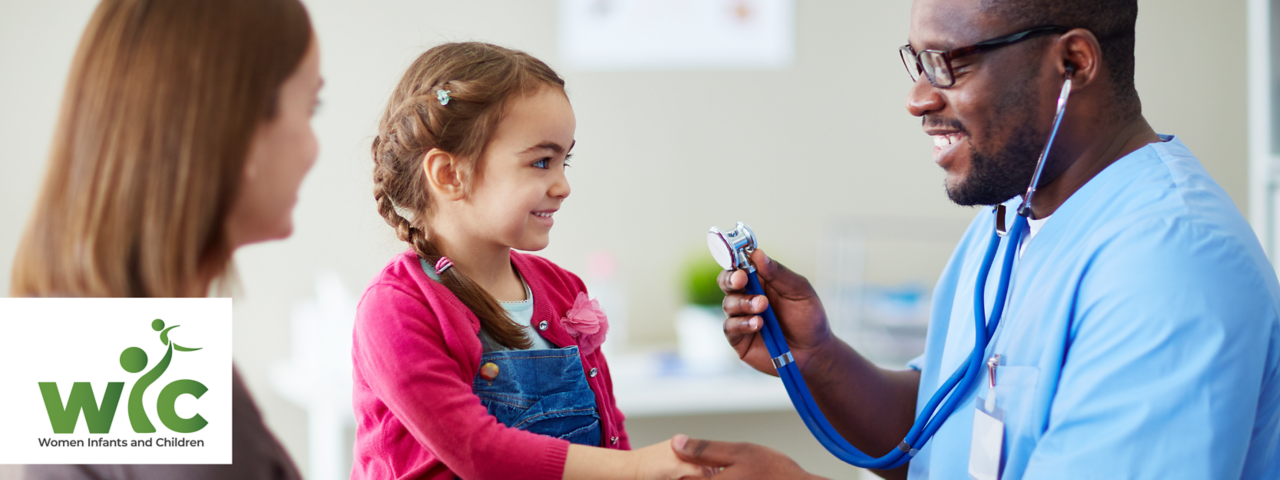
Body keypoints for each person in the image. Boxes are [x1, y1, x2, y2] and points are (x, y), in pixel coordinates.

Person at [671, 0, 1280, 479]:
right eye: (917, 61)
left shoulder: (1169, 265)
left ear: (1072, 63)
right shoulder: (1012, 218)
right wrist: (819, 360)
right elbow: (942, 436)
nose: (917, 99)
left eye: (951, 62)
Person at [351, 42, 701, 480]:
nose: (563, 186)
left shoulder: (563, 290)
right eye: (541, 162)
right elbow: (479, 451)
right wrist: (635, 469)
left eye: (564, 160)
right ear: (448, 175)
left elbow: (610, 432)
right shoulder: (396, 309)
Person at [10, 0, 321, 478]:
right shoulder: (155, 374)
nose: (312, 148)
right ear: (238, 128)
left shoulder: (83, 337)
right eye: (310, 106)